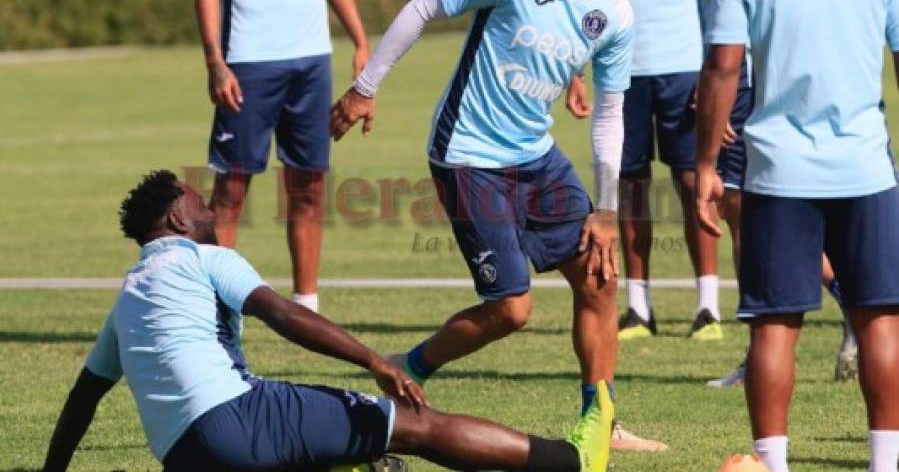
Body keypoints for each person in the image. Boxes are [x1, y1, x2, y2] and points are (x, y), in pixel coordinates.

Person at [331, 0, 646, 468]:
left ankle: (600, 422)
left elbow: (610, 112)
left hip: (535, 156)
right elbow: (424, 6)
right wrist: (364, 87)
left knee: (601, 280)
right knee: (512, 309)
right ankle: (406, 369)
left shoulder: (617, 15)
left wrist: (606, 210)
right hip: (468, 154)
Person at [42, 171, 612, 472]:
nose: (212, 212)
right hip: (238, 418)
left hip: (184, 457)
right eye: (200, 204)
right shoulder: (203, 257)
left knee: (319, 442)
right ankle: (573, 460)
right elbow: (284, 314)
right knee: (414, 426)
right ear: (176, 216)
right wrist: (372, 361)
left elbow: (82, 399)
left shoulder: (127, 299)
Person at [695, 0, 899, 472]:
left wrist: (703, 163)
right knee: (877, 320)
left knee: (773, 325)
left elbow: (723, 67)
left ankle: (772, 465)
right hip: (865, 165)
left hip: (777, 170)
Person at [667, 0, 856, 389]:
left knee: (749, 212)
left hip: (745, 69)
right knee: (755, 209)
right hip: (792, 59)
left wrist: (718, 86)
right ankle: (815, 320)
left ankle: (827, 318)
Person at [192, 0, 370, 313]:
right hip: (248, 60)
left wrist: (359, 39)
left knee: (310, 182)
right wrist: (215, 60)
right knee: (232, 188)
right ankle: (217, 306)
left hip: (311, 58)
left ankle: (307, 304)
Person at [567, 0, 718, 345]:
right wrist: (574, 67)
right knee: (629, 188)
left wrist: (712, 68)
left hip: (683, 65)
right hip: (620, 70)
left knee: (690, 182)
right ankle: (639, 306)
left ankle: (708, 306)